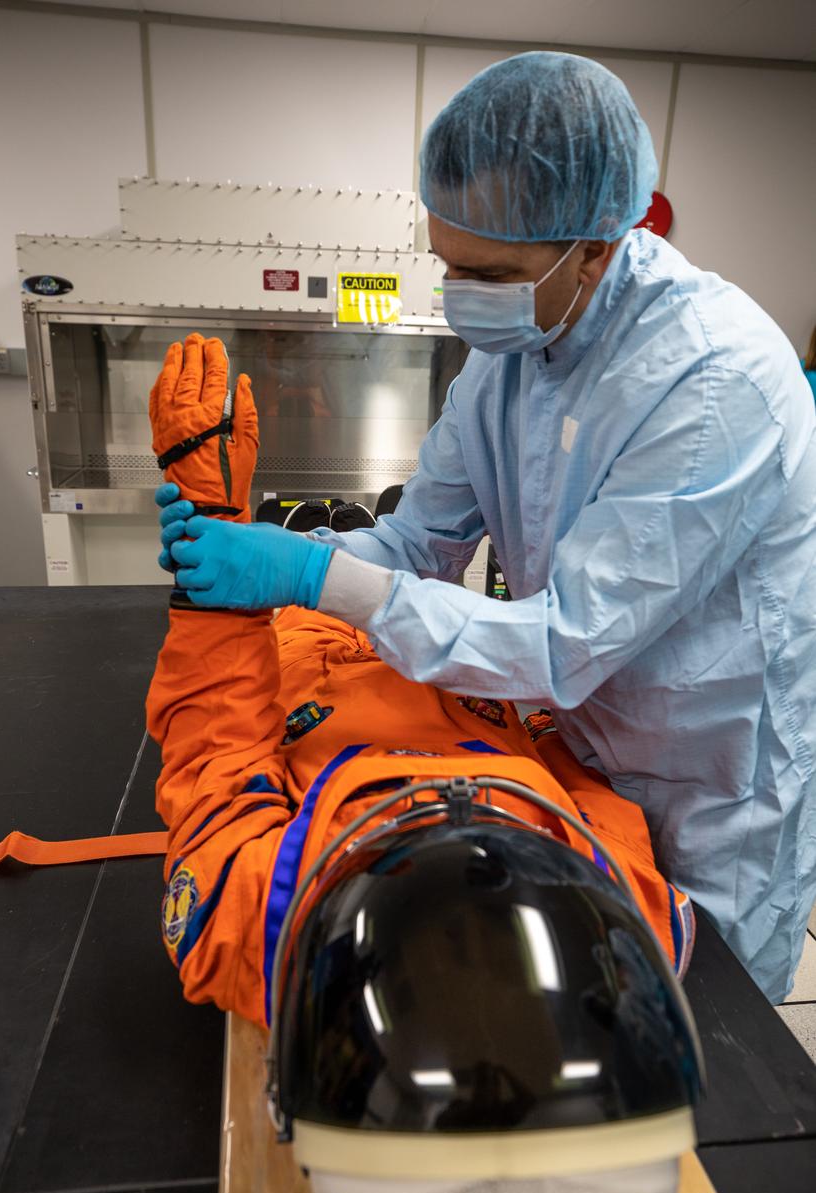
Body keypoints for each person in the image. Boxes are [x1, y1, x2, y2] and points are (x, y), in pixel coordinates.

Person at [158, 52, 816, 1005]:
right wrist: (266, 556)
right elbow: (413, 546)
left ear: (596, 244)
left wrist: (311, 582)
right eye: (448, 264)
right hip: (571, 754)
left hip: (708, 783)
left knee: (698, 1044)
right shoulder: (507, 358)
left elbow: (562, 641)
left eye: (489, 272)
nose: (459, 296)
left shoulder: (712, 385)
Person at [147, 351, 701, 1193]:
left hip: (302, 655)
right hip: (457, 666)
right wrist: (511, 682)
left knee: (280, 553)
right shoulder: (630, 918)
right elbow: (581, 763)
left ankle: (307, 537)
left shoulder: (260, 923)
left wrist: (209, 548)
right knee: (383, 537)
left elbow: (213, 754)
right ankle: (339, 537)